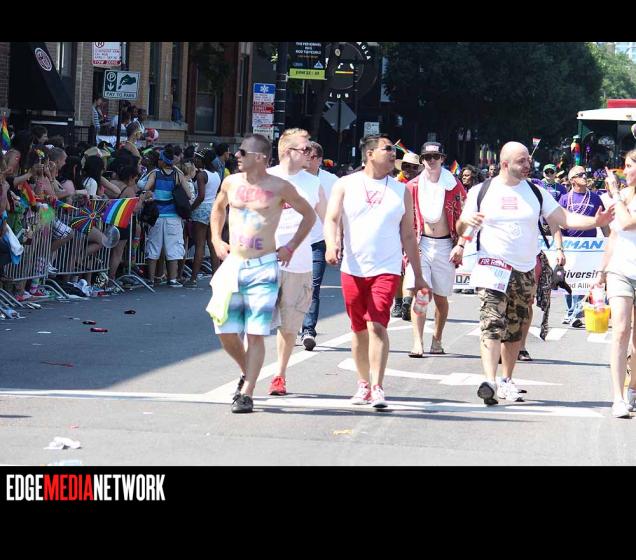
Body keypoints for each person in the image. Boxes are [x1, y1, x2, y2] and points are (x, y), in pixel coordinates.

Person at [457, 141, 613, 406]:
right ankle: (489, 381)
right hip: (492, 268)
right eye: (522, 161)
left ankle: (506, 380)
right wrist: (465, 223)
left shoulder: (535, 192)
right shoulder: (481, 191)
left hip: (524, 270)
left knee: (515, 328)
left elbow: (564, 218)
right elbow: (462, 226)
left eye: (528, 160)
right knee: (491, 322)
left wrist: (596, 222)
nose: (527, 165)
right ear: (505, 164)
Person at [209, 133, 315, 414]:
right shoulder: (231, 182)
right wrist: (216, 239)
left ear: (260, 158)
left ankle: (247, 392)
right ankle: (248, 371)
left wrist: (291, 246)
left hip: (264, 266)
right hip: (234, 264)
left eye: (243, 152)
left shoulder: (280, 186)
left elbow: (309, 215)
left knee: (255, 333)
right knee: (225, 330)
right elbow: (218, 208)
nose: (237, 156)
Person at [324, 134, 428, 408]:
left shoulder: (401, 191)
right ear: (369, 153)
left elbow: (408, 234)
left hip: (387, 268)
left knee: (377, 324)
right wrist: (331, 244)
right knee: (358, 328)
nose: (393, 154)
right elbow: (331, 218)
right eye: (387, 149)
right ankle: (363, 384)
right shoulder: (345, 184)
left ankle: (378, 386)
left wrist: (417, 274)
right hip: (353, 267)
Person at [267, 129, 325, 396]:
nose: (310, 154)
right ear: (288, 151)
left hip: (300, 263)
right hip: (264, 262)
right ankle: (248, 374)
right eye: (305, 149)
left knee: (289, 325)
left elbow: (329, 218)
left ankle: (279, 374)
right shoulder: (265, 178)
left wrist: (339, 243)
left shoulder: (313, 183)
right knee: (254, 323)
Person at [403, 142, 467, 356]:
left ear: (442, 159)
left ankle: (437, 339)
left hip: (445, 245)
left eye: (435, 157)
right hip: (420, 243)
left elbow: (467, 218)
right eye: (427, 157)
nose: (431, 161)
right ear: (422, 160)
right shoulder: (412, 186)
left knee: (440, 298)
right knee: (421, 293)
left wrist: (460, 245)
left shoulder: (453, 185)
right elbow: (402, 218)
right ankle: (417, 342)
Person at [592, 157, 636, 417]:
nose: (625, 170)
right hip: (620, 272)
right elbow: (615, 236)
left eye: (630, 166)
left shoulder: (620, 198)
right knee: (620, 331)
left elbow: (629, 223)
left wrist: (616, 194)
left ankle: (633, 388)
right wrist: (601, 271)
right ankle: (618, 397)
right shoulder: (622, 198)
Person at [300, 141, 339, 350]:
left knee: (312, 287)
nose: (306, 159)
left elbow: (338, 213)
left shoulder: (331, 181)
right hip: (292, 243)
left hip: (317, 241)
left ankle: (308, 330)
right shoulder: (292, 178)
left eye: (311, 156)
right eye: (303, 154)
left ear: (320, 160)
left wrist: (336, 239)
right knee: (288, 288)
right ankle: (290, 326)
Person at [559, 165, 609, 327]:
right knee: (568, 280)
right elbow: (558, 223)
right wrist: (559, 246)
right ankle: (570, 311)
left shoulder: (595, 198)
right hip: (569, 246)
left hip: (588, 249)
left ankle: (575, 313)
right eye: (580, 174)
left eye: (585, 173)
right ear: (572, 180)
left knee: (582, 281)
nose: (585, 176)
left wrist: (609, 241)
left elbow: (603, 223)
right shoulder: (565, 199)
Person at [142, 147, 189, 287]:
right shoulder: (178, 175)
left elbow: (146, 188)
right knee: (173, 247)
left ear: (163, 161)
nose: (158, 161)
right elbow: (189, 194)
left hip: (156, 215)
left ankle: (151, 279)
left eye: (160, 159)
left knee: (153, 246)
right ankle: (172, 279)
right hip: (173, 216)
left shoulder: (155, 174)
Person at [391, 151, 422, 319]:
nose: (409, 169)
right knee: (398, 269)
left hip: (418, 232)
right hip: (396, 230)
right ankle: (398, 302)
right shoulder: (395, 185)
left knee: (414, 267)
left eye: (413, 167)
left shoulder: (423, 186)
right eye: (406, 166)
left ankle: (409, 302)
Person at [185, 149, 221, 287]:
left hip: (202, 209)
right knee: (212, 245)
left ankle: (193, 279)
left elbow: (201, 196)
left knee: (200, 245)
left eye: (198, 158)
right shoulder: (216, 175)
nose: (196, 160)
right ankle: (216, 278)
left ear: (204, 160)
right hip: (214, 209)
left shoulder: (202, 175)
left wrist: (190, 209)